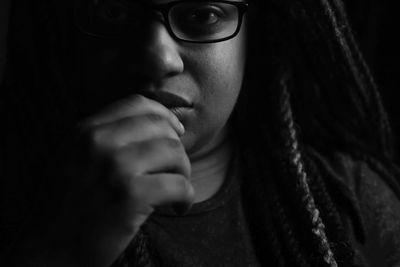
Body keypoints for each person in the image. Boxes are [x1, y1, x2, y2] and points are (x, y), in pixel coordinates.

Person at [0, 0, 399, 266]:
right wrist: (57, 251)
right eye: (112, 11)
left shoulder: (351, 197)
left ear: (254, 38)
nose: (158, 58)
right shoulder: (20, 199)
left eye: (202, 15)